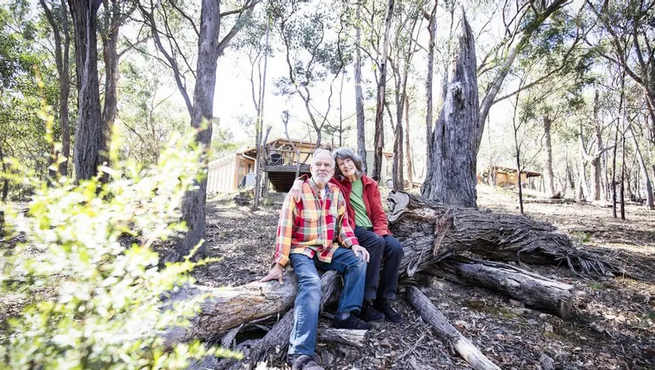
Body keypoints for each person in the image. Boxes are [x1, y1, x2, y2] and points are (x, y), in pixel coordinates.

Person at [261, 149, 372, 370]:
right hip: (302, 250)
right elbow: (285, 228)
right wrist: (279, 263)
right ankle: (300, 354)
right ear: (311, 168)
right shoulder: (298, 191)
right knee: (312, 284)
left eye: (327, 166)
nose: (322, 169)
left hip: (327, 249)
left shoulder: (335, 192)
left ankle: (345, 314)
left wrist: (354, 244)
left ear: (332, 171)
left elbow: (343, 227)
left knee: (358, 260)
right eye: (318, 165)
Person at [291, 147, 404, 323]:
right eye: (341, 164)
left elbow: (379, 213)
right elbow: (318, 176)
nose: (345, 166)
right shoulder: (337, 184)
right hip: (352, 228)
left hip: (372, 228)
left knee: (395, 247)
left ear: (355, 161)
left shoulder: (370, 184)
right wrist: (298, 181)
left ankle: (383, 300)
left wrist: (381, 231)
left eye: (348, 161)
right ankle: (366, 301)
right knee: (376, 242)